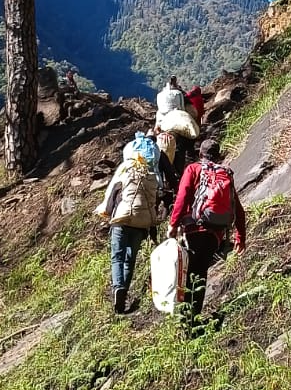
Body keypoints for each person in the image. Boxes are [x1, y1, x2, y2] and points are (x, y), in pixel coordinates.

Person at [168, 136, 245, 330]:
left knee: (188, 274)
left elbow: (183, 196)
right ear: (218, 156)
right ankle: (192, 319)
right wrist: (240, 237)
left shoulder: (193, 169)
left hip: (194, 230)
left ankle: (185, 324)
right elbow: (238, 208)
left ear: (200, 153)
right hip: (215, 234)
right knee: (200, 273)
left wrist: (173, 224)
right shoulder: (225, 173)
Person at [95, 138, 163, 313]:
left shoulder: (124, 173)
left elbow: (111, 198)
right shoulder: (152, 177)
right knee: (130, 259)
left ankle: (118, 287)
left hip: (122, 220)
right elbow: (156, 201)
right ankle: (124, 291)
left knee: (117, 256)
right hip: (141, 224)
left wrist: (108, 214)